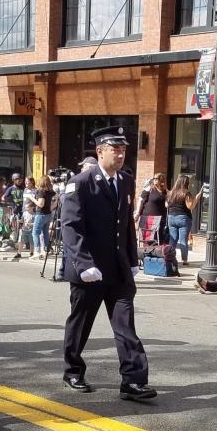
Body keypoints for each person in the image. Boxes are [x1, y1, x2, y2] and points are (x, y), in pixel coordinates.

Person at [60, 126, 156, 401]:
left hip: (118, 268)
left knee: (125, 325)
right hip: (89, 270)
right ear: (100, 151)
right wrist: (83, 263)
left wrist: (132, 257)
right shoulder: (80, 182)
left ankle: (133, 380)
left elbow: (125, 223)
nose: (121, 153)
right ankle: (73, 371)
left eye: (124, 149)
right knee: (81, 323)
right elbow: (71, 227)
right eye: (115, 148)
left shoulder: (125, 181)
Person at [166, 174, 202, 266]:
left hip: (171, 217)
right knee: (183, 240)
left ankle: (169, 258)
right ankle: (184, 260)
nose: (189, 184)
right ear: (186, 183)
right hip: (183, 218)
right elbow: (190, 206)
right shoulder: (186, 193)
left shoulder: (171, 193)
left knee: (172, 240)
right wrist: (196, 198)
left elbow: (166, 205)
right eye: (188, 183)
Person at [137, 172, 168, 245]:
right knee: (148, 239)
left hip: (160, 219)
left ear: (161, 180)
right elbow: (140, 200)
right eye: (154, 178)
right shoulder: (149, 189)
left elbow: (167, 204)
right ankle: (146, 254)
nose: (154, 180)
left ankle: (157, 254)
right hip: (149, 218)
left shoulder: (165, 191)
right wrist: (138, 213)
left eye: (156, 178)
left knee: (159, 238)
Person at [32, 174, 56, 256]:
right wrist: (52, 207)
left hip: (41, 214)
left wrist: (32, 198)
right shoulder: (50, 192)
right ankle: (46, 250)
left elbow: (40, 204)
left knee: (35, 233)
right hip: (48, 215)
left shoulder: (40, 191)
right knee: (45, 232)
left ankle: (37, 251)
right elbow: (57, 196)